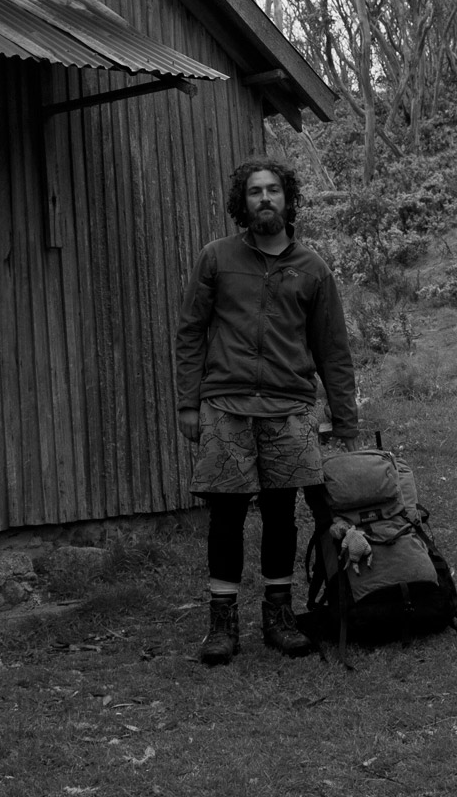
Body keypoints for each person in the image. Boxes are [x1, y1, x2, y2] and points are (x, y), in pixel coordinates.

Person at [174, 158, 358, 664]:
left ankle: (279, 616)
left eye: (273, 190)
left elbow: (332, 349)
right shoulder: (216, 258)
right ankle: (222, 623)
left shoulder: (313, 268)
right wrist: (188, 403)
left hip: (288, 406)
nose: (265, 199)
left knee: (281, 513)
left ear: (287, 198)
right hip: (226, 405)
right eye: (255, 191)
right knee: (226, 514)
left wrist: (344, 421)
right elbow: (191, 333)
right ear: (243, 202)